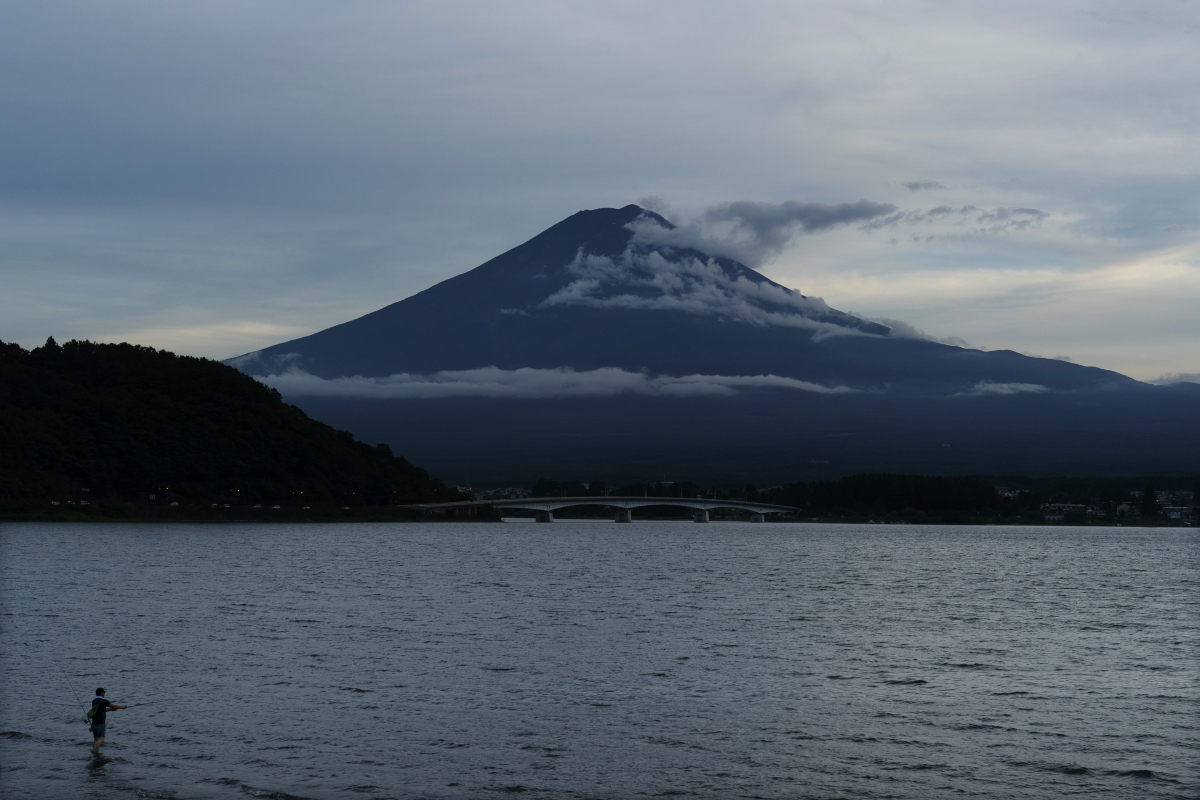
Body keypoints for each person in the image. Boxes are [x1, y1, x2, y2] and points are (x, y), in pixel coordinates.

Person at [89, 688, 128, 755]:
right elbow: (114, 706)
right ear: (101, 693)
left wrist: (110, 710)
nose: (104, 694)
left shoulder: (94, 701)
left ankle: (95, 753)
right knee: (102, 738)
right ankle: (94, 751)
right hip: (101, 723)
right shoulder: (104, 701)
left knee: (95, 738)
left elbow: (101, 710)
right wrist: (122, 707)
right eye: (104, 693)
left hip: (94, 723)